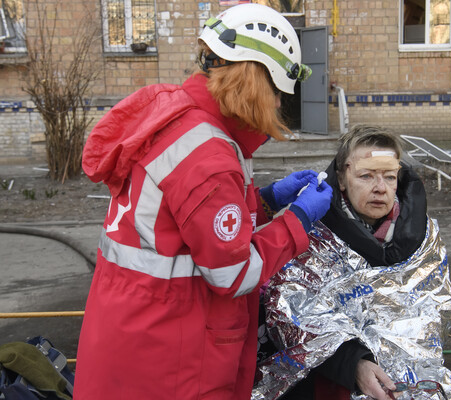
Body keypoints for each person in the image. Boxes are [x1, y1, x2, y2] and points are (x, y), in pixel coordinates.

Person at [74, 4, 332, 399]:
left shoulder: (182, 121)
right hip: (171, 358)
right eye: (277, 92)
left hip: (134, 336)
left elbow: (183, 227)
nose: (279, 105)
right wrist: (296, 220)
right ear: (255, 81)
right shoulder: (207, 155)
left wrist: (265, 201)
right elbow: (233, 274)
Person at [255, 124, 449, 400]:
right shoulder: (310, 235)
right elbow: (287, 313)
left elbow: (432, 311)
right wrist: (351, 362)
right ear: (342, 179)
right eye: (366, 176)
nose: (380, 188)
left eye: (389, 177)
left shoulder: (424, 238)